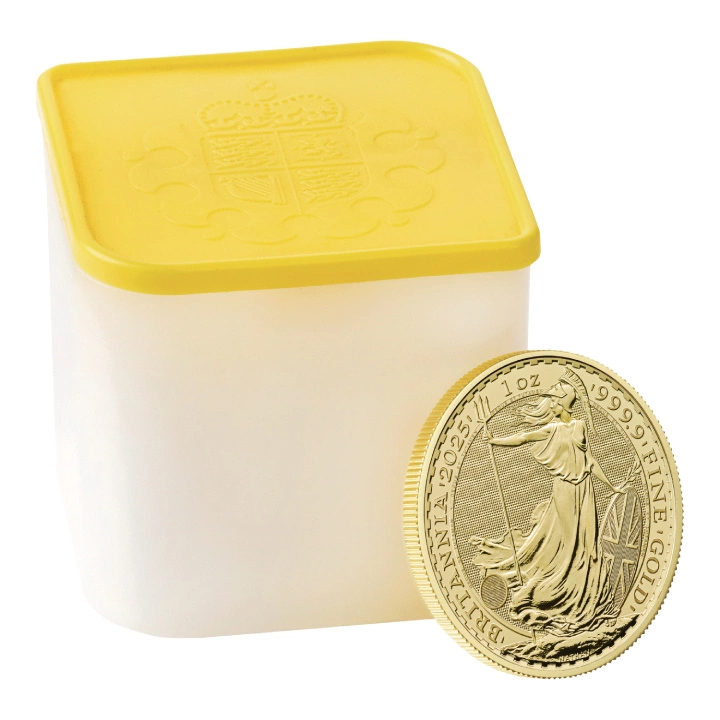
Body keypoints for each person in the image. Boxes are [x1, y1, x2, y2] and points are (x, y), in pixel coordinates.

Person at [470, 369, 626, 636]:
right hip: (564, 490)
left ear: (563, 403)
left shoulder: (579, 426)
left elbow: (589, 461)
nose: (550, 404)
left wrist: (611, 486)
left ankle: (584, 595)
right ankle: (558, 593)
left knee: (587, 544)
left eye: (554, 400)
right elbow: (523, 437)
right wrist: (495, 441)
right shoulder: (550, 429)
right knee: (568, 542)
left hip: (585, 490)